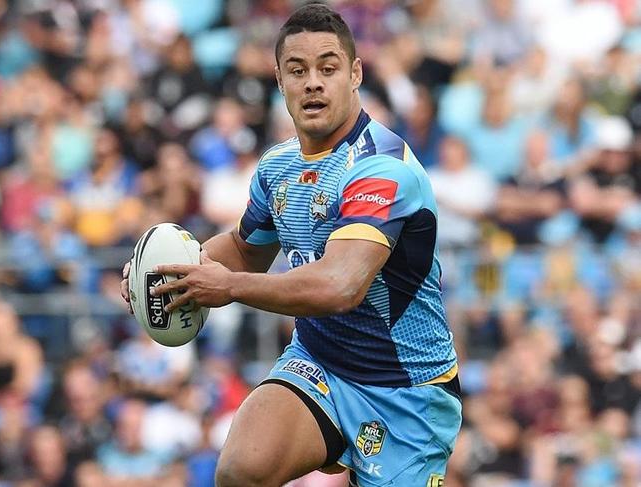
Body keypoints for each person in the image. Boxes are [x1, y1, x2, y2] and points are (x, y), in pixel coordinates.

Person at [120, 4, 461, 486]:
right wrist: (162, 274)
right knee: (241, 472)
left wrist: (232, 288)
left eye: (328, 67)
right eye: (297, 70)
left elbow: (341, 286)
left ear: (356, 73)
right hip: (320, 363)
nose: (313, 82)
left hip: (406, 393)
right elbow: (244, 249)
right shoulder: (277, 166)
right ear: (279, 80)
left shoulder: (383, 169)